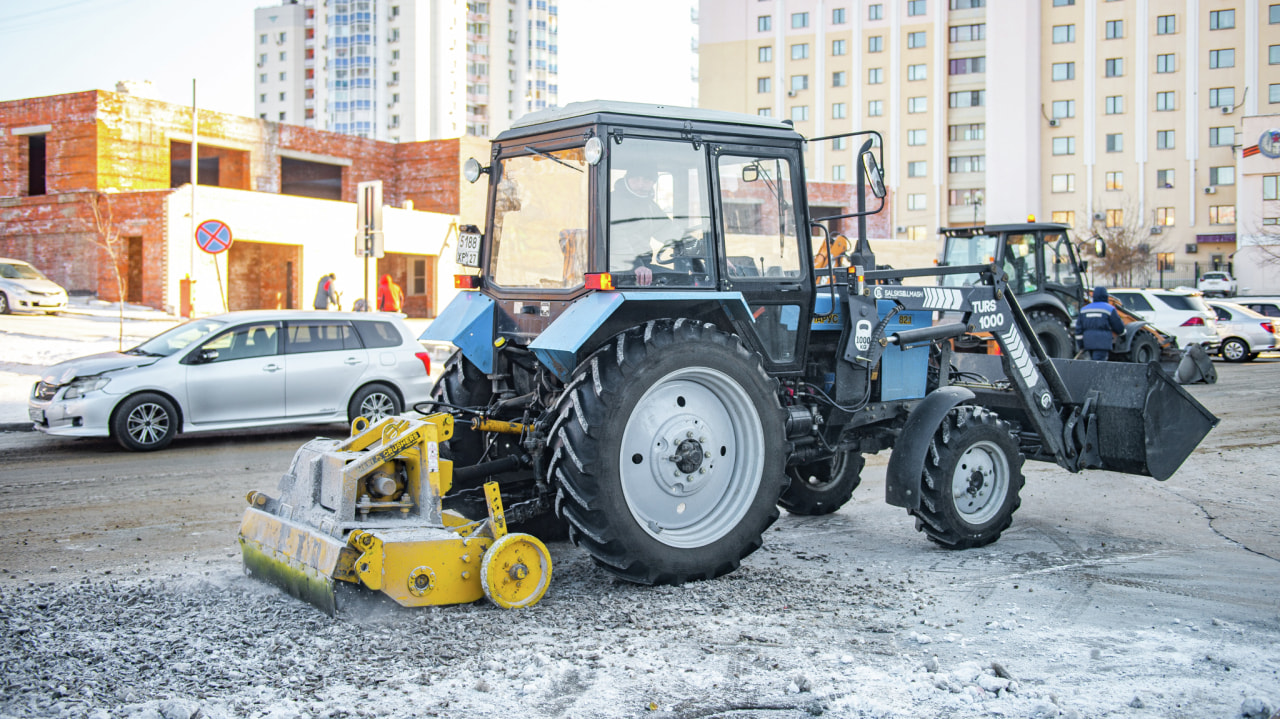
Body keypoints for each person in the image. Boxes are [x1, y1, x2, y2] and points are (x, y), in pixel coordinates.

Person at [609, 161, 678, 287]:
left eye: (646, 180)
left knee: (679, 279)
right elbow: (618, 236)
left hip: (642, 265)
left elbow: (668, 230)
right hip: (619, 267)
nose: (640, 185)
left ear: (653, 182)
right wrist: (635, 265)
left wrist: (697, 248)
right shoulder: (614, 202)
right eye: (635, 179)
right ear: (627, 179)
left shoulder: (649, 205)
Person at [1076, 286, 1125, 361]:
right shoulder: (1109, 309)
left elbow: (1078, 329)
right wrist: (1123, 333)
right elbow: (1118, 326)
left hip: (1088, 343)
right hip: (1103, 344)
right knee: (1099, 365)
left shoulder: (1084, 310)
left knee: (1090, 364)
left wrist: (1081, 344)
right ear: (1105, 296)